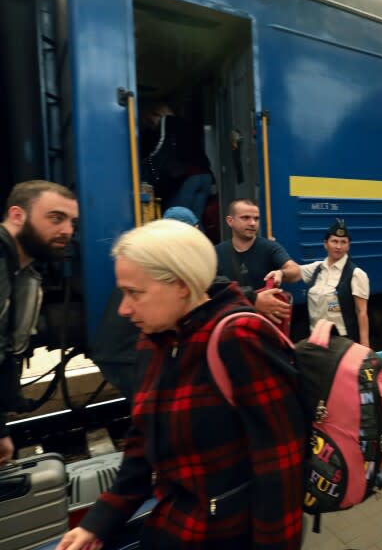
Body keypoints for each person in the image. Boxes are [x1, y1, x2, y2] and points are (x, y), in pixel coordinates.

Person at [57, 219, 307, 550]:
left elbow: (282, 468)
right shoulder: (154, 339)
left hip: (227, 537)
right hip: (172, 530)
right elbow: (141, 439)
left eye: (135, 293)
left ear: (181, 286)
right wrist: (100, 520)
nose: (124, 308)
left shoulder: (239, 338)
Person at [0, 180, 78, 465]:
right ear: (18, 215)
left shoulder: (21, 270)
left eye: (72, 221)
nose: (67, 231)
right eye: (56, 218)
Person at [89, 206, 200, 401]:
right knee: (161, 412)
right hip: (127, 357)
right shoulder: (170, 258)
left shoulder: (154, 254)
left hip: (116, 353)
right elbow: (204, 287)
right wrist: (253, 298)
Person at [215, 198, 301, 328]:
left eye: (256, 219)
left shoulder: (270, 248)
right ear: (230, 221)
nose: (253, 223)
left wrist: (281, 273)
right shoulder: (217, 252)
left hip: (263, 327)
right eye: (245, 218)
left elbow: (296, 271)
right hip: (230, 327)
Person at [298, 219, 370, 346]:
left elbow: (361, 312)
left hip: (342, 341)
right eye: (334, 241)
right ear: (325, 244)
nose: (338, 246)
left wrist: (365, 345)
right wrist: (280, 273)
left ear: (348, 246)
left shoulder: (356, 274)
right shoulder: (317, 268)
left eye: (343, 242)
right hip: (316, 338)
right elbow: (294, 271)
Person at [140, 101, 213, 219]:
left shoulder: (167, 121)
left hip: (188, 177)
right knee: (195, 220)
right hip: (205, 176)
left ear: (156, 114)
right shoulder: (186, 124)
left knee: (177, 219)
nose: (152, 124)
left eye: (150, 120)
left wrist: (146, 164)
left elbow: (161, 146)